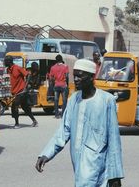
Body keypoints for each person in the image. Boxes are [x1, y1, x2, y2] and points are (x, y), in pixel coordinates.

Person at [35, 59, 124, 187]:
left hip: (97, 164)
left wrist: (115, 175)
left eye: (80, 76)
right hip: (78, 163)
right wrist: (46, 154)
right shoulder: (73, 100)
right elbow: (63, 131)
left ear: (91, 77)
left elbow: (114, 140)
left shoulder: (106, 101)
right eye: (74, 75)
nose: (76, 79)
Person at [4, 56, 38, 128]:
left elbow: (28, 75)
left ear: (9, 62)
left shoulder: (18, 68)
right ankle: (34, 121)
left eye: (5, 61)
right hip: (14, 92)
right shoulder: (7, 70)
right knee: (25, 107)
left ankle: (17, 124)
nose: (4, 62)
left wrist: (25, 87)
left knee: (15, 106)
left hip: (21, 91)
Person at [50, 54, 69, 118]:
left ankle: (56, 114)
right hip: (63, 85)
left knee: (56, 100)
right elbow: (67, 76)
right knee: (64, 100)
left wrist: (53, 84)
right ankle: (63, 114)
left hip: (56, 85)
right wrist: (67, 84)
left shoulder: (53, 67)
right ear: (61, 59)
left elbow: (51, 78)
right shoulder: (65, 66)